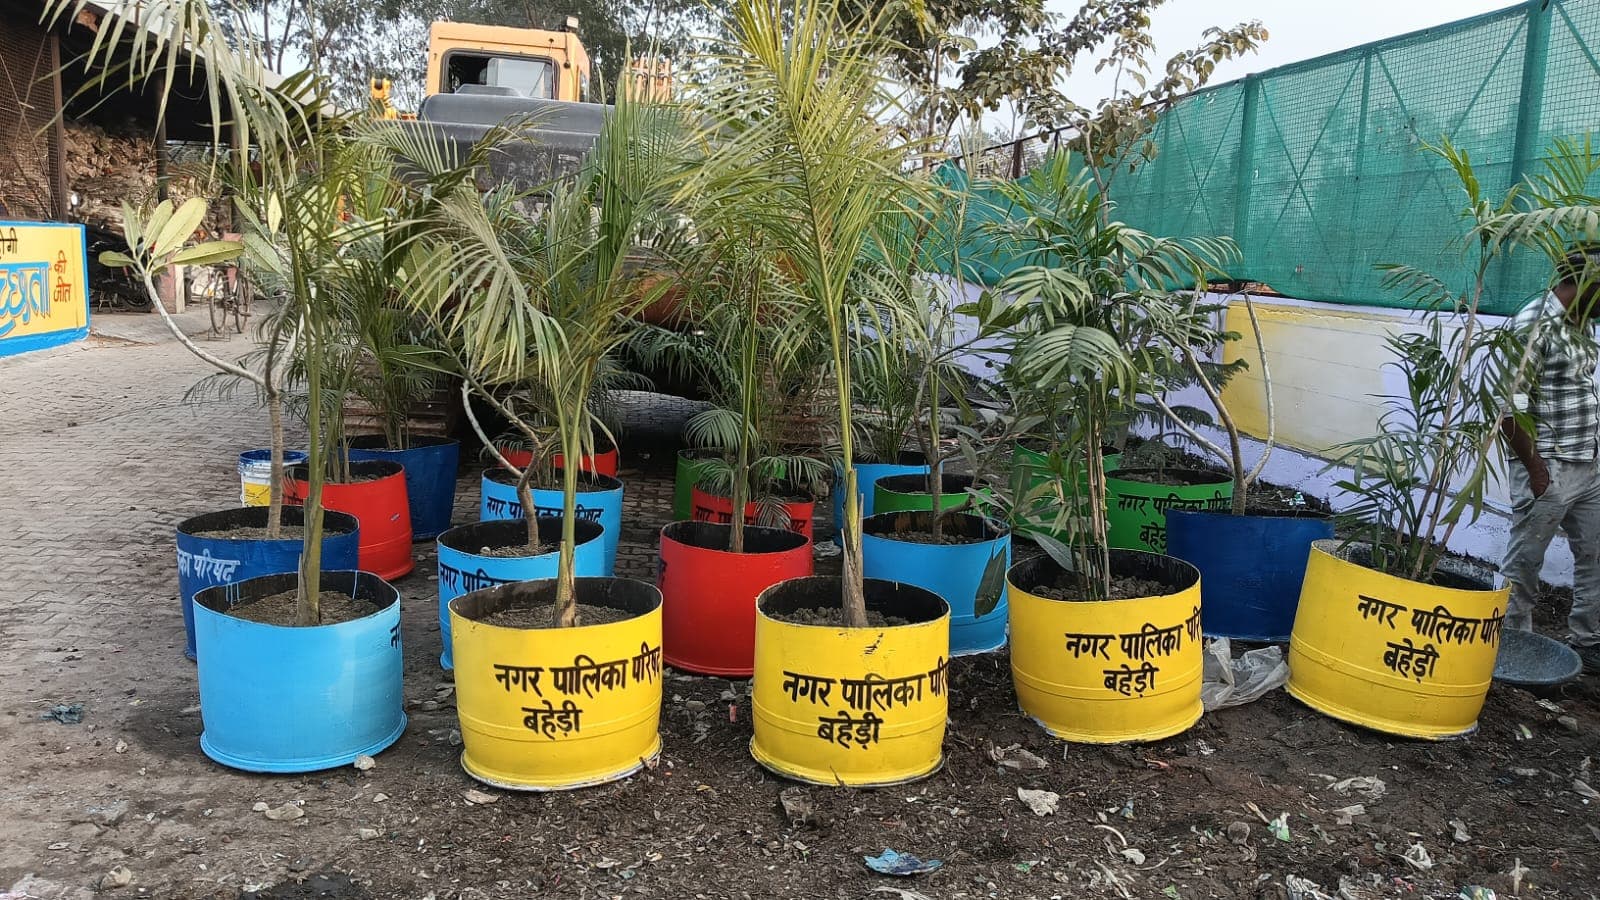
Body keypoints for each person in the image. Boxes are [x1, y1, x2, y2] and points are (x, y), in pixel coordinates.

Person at [1501, 245, 1600, 673]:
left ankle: (1589, 639)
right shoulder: (1533, 325)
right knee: (1525, 560)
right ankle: (1510, 644)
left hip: (1588, 464)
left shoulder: (1583, 323)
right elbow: (1510, 408)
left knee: (1595, 556)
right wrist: (1537, 471)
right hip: (1550, 467)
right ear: (1582, 281)